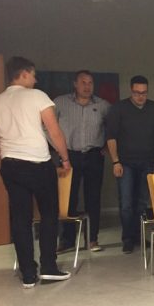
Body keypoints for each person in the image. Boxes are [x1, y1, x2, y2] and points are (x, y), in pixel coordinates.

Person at [0, 56, 71, 288]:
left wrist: (4, 155)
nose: (35, 79)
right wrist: (65, 158)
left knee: (20, 218)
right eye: (33, 75)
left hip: (10, 165)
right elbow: (54, 131)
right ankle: (49, 268)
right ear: (23, 74)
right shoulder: (37, 96)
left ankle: (28, 274)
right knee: (49, 215)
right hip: (38, 163)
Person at [54, 70, 110, 253]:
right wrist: (58, 147)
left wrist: (107, 147)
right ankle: (67, 240)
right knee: (68, 198)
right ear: (75, 84)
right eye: (83, 82)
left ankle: (92, 239)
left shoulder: (103, 105)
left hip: (94, 155)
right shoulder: (60, 102)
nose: (87, 86)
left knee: (93, 198)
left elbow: (113, 128)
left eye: (90, 83)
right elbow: (47, 126)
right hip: (69, 155)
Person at [106, 75, 154, 254]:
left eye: (144, 93)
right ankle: (127, 238)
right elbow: (111, 137)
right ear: (131, 91)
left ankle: (139, 235)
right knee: (126, 203)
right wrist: (115, 161)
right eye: (137, 93)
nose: (140, 97)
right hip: (125, 162)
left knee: (142, 202)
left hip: (147, 161)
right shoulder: (119, 108)